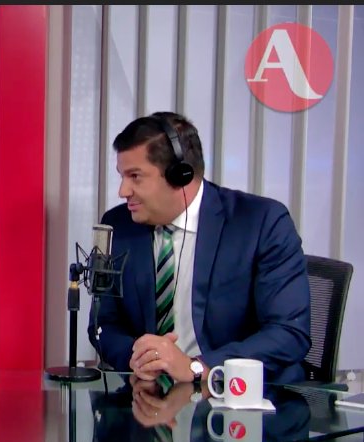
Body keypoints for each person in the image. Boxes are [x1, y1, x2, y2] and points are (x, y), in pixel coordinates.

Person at [87, 111, 311, 385]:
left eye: (135, 176)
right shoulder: (118, 225)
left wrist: (198, 367)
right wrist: (136, 357)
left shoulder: (262, 222)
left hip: (240, 395)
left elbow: (288, 332)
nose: (123, 191)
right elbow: (103, 323)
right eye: (122, 176)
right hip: (149, 394)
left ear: (180, 175)